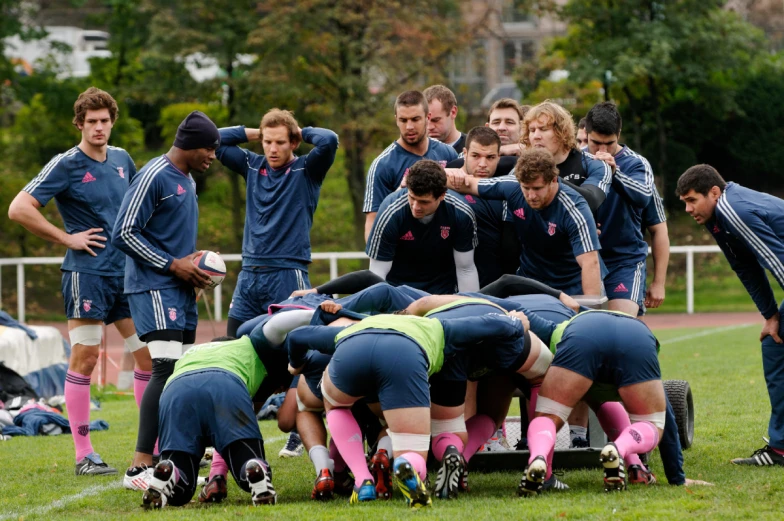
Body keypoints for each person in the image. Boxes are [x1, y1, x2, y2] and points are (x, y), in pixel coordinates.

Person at [8, 87, 151, 477]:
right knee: (85, 359)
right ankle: (84, 454)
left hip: (127, 276)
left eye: (105, 120)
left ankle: (151, 447)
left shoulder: (123, 159)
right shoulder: (65, 164)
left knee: (148, 357)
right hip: (86, 276)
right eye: (92, 122)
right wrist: (67, 238)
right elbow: (18, 208)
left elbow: (138, 210)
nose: (99, 127)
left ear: (112, 121)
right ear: (79, 124)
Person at [287, 312, 533, 508]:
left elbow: (297, 336)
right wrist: (517, 323)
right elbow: (493, 325)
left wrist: (295, 364)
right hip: (405, 354)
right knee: (411, 444)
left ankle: (362, 481)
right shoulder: (439, 326)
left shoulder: (354, 326)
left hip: (353, 347)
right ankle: (407, 466)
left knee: (337, 405)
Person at [111, 111, 219, 481]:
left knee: (183, 373)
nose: (213, 155)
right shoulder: (155, 175)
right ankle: (141, 464)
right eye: (209, 147)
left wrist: (193, 266)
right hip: (153, 287)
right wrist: (173, 265)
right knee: (165, 368)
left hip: (179, 289)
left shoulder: (187, 180)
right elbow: (123, 232)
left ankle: (175, 461)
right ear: (189, 145)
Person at [677, 164, 784, 467]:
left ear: (714, 192)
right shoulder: (718, 218)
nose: (687, 209)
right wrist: (771, 315)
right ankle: (780, 449)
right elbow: (746, 267)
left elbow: (775, 259)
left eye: (691, 200)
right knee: (774, 344)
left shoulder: (734, 208)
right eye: (683, 202)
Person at [215, 110, 339, 339]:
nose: (273, 149)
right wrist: (256, 133)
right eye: (267, 142)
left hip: (287, 273)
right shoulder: (251, 165)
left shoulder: (308, 169)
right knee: (232, 345)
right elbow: (214, 138)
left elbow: (329, 140)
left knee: (286, 353)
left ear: (293, 142)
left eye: (280, 142)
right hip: (249, 274)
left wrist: (300, 131)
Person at [519, 309, 667, 495]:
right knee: (653, 422)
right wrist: (676, 475)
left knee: (549, 414)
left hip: (581, 335)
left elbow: (509, 286)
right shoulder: (566, 310)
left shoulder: (551, 325)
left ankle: (538, 457)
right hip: (637, 336)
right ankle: (624, 455)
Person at [141, 336, 276, 509]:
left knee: (180, 493)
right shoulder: (246, 345)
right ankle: (254, 465)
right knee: (247, 468)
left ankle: (172, 472)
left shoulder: (191, 352)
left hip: (176, 390)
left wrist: (217, 475)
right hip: (225, 384)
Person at [447, 148, 603, 296]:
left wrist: (589, 308)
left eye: (537, 188)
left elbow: (591, 264)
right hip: (530, 282)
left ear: (554, 180)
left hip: (571, 287)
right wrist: (447, 173)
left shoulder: (575, 208)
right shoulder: (512, 186)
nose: (531, 195)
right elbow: (466, 184)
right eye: (526, 188)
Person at [366, 159, 479, 294]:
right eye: (412, 197)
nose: (415, 206)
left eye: (424, 202)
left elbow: (465, 268)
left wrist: (470, 305)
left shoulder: (461, 213)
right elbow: (377, 273)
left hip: (442, 292)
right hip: (398, 290)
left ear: (442, 195)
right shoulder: (390, 212)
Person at [584, 102, 654, 316]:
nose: (603, 151)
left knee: (621, 324)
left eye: (610, 144)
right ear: (586, 134)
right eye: (596, 143)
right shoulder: (576, 161)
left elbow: (643, 196)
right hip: (585, 259)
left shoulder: (636, 164)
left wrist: (615, 173)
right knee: (585, 330)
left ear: (619, 134)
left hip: (624, 260)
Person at [363, 90, 458, 240]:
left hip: (442, 252)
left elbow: (461, 205)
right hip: (403, 253)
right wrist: (377, 259)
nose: (409, 127)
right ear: (396, 120)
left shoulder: (448, 154)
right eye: (403, 120)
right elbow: (373, 220)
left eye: (415, 119)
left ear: (428, 118)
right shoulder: (382, 165)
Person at [447, 127, 520, 286]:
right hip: (453, 286)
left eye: (490, 157)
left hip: (498, 285)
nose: (482, 164)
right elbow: (415, 180)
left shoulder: (505, 187)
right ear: (464, 154)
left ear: (499, 157)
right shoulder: (445, 184)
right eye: (475, 156)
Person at [523, 101, 612, 213]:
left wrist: (549, 177)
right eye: (532, 130)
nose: (536, 136)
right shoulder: (521, 170)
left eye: (543, 129)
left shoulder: (594, 164)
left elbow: (592, 201)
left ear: (562, 132)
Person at [642, 186, 669, 310]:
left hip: (625, 267)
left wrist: (659, 283)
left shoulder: (642, 177)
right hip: (583, 265)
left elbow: (659, 229)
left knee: (625, 324)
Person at [424, 85, 466, 153]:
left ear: (453, 112)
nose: (430, 127)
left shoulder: (473, 149)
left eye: (436, 120)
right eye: (426, 121)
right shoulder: (415, 152)